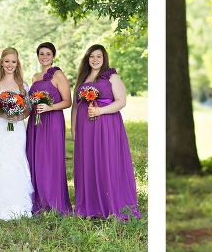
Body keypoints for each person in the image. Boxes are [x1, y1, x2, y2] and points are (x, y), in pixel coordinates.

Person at [71, 44, 141, 220]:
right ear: (87, 59)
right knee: (88, 161)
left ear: (104, 58)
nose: (95, 60)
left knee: (105, 160)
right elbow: (75, 105)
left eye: (99, 56)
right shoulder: (83, 78)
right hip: (85, 127)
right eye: (92, 56)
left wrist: (100, 111)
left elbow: (121, 101)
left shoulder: (111, 76)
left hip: (106, 125)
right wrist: (73, 128)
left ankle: (110, 204)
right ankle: (90, 204)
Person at [0, 47, 34, 221]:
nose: (10, 65)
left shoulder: (23, 85)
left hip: (16, 129)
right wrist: (3, 114)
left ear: (17, 64)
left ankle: (19, 203)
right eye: (7, 61)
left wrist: (18, 116)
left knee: (16, 158)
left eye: (13, 62)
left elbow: (28, 109)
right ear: (2, 63)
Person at [26, 42, 73, 215]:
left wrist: (50, 107)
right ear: (37, 56)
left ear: (53, 56)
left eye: (48, 54)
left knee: (51, 159)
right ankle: (38, 200)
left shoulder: (58, 74)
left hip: (52, 121)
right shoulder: (35, 77)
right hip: (35, 122)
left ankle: (53, 201)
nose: (44, 57)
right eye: (41, 54)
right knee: (36, 158)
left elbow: (68, 101)